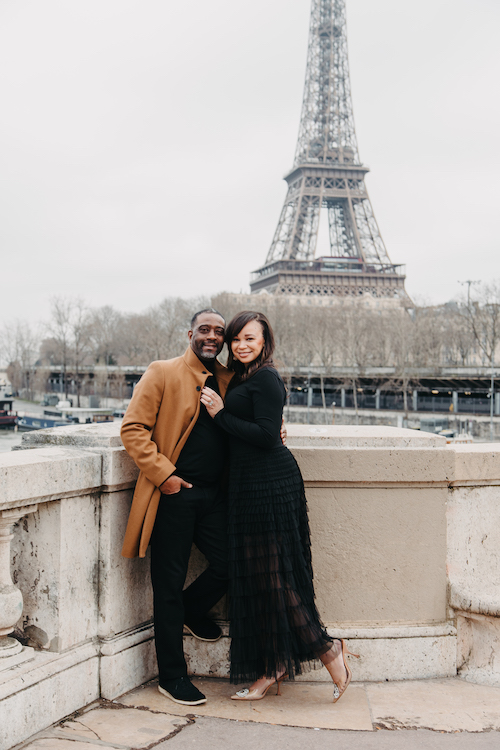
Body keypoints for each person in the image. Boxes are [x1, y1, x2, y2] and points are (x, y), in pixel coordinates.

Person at [201, 311, 359, 703]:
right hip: (248, 486)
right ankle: (274, 665)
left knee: (272, 576)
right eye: (235, 339)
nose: (240, 345)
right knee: (259, 578)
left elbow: (267, 436)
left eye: (249, 339)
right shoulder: (240, 377)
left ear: (264, 341)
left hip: (270, 485)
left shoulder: (266, 378)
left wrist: (220, 415)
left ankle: (325, 649)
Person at [120, 308, 234, 707]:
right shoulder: (163, 371)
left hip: (215, 496)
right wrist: (165, 476)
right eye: (205, 329)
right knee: (166, 586)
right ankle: (172, 676)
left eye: (220, 332)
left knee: (231, 562)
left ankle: (190, 608)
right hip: (174, 495)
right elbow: (133, 429)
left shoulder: (228, 379)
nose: (212, 337)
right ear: (190, 333)